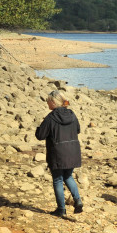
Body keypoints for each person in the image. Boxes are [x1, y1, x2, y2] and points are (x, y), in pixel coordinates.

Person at [35, 89, 83, 217]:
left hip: (57, 152)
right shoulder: (72, 114)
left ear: (53, 102)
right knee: (68, 176)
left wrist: (40, 126)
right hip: (72, 150)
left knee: (57, 179)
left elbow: (40, 135)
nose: (47, 104)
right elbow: (78, 130)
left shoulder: (51, 117)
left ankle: (61, 209)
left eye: (48, 102)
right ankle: (77, 200)